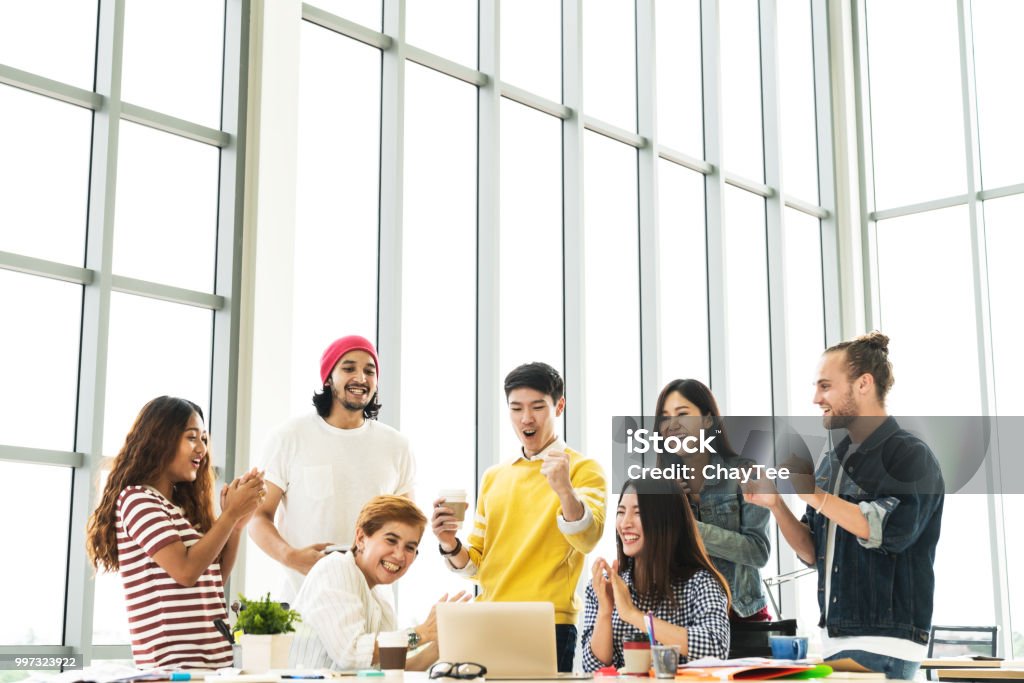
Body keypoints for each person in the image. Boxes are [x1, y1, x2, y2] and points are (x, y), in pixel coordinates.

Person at [745, 332, 944, 679]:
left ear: (863, 384)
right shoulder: (834, 462)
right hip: (836, 639)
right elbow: (812, 552)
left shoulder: (909, 455)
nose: (815, 398)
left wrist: (815, 496)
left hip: (886, 644)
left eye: (825, 386)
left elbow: (890, 530)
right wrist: (777, 505)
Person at [431, 362, 607, 672]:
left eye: (538, 407)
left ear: (559, 406)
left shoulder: (583, 470)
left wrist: (565, 490)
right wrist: (449, 543)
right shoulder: (494, 477)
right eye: (516, 408)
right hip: (488, 620)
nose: (526, 418)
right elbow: (476, 566)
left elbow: (588, 537)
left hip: (548, 621)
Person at [86, 396, 265, 669]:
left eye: (204, 439)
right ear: (160, 439)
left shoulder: (180, 510)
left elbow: (212, 579)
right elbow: (185, 571)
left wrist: (237, 525)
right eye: (192, 437)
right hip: (172, 669)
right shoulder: (137, 500)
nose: (202, 448)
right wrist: (228, 516)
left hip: (212, 666)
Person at [250, 335, 416, 602]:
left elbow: (408, 526)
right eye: (349, 368)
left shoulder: (396, 446)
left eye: (369, 371)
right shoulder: (290, 436)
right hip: (305, 604)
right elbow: (257, 517)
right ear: (328, 378)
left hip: (375, 605)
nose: (361, 377)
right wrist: (291, 557)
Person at [290, 495, 468, 671]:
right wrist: (422, 633)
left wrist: (439, 643)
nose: (399, 555)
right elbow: (351, 654)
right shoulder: (335, 568)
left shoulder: (382, 597)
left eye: (409, 548)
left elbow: (386, 670)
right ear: (361, 538)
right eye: (391, 540)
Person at [581, 478, 731, 671]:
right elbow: (592, 669)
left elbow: (716, 647)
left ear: (666, 520)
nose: (625, 523)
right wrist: (605, 612)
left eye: (638, 513)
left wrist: (634, 615)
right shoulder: (604, 587)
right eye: (621, 512)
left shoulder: (700, 584)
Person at [654, 379, 772, 621]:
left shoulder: (744, 473)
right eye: (665, 417)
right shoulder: (660, 485)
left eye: (682, 414)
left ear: (708, 420)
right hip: (685, 619)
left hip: (741, 615)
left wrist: (686, 525)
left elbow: (758, 552)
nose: (672, 425)